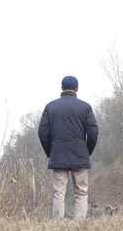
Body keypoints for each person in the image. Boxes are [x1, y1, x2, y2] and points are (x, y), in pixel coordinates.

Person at [38, 75, 99, 219]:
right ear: (77, 89)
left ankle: (58, 226)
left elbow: (42, 132)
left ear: (61, 88)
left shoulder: (50, 107)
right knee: (81, 193)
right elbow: (93, 132)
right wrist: (87, 151)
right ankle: (79, 226)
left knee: (59, 192)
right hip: (79, 154)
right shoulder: (85, 107)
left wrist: (50, 152)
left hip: (58, 155)